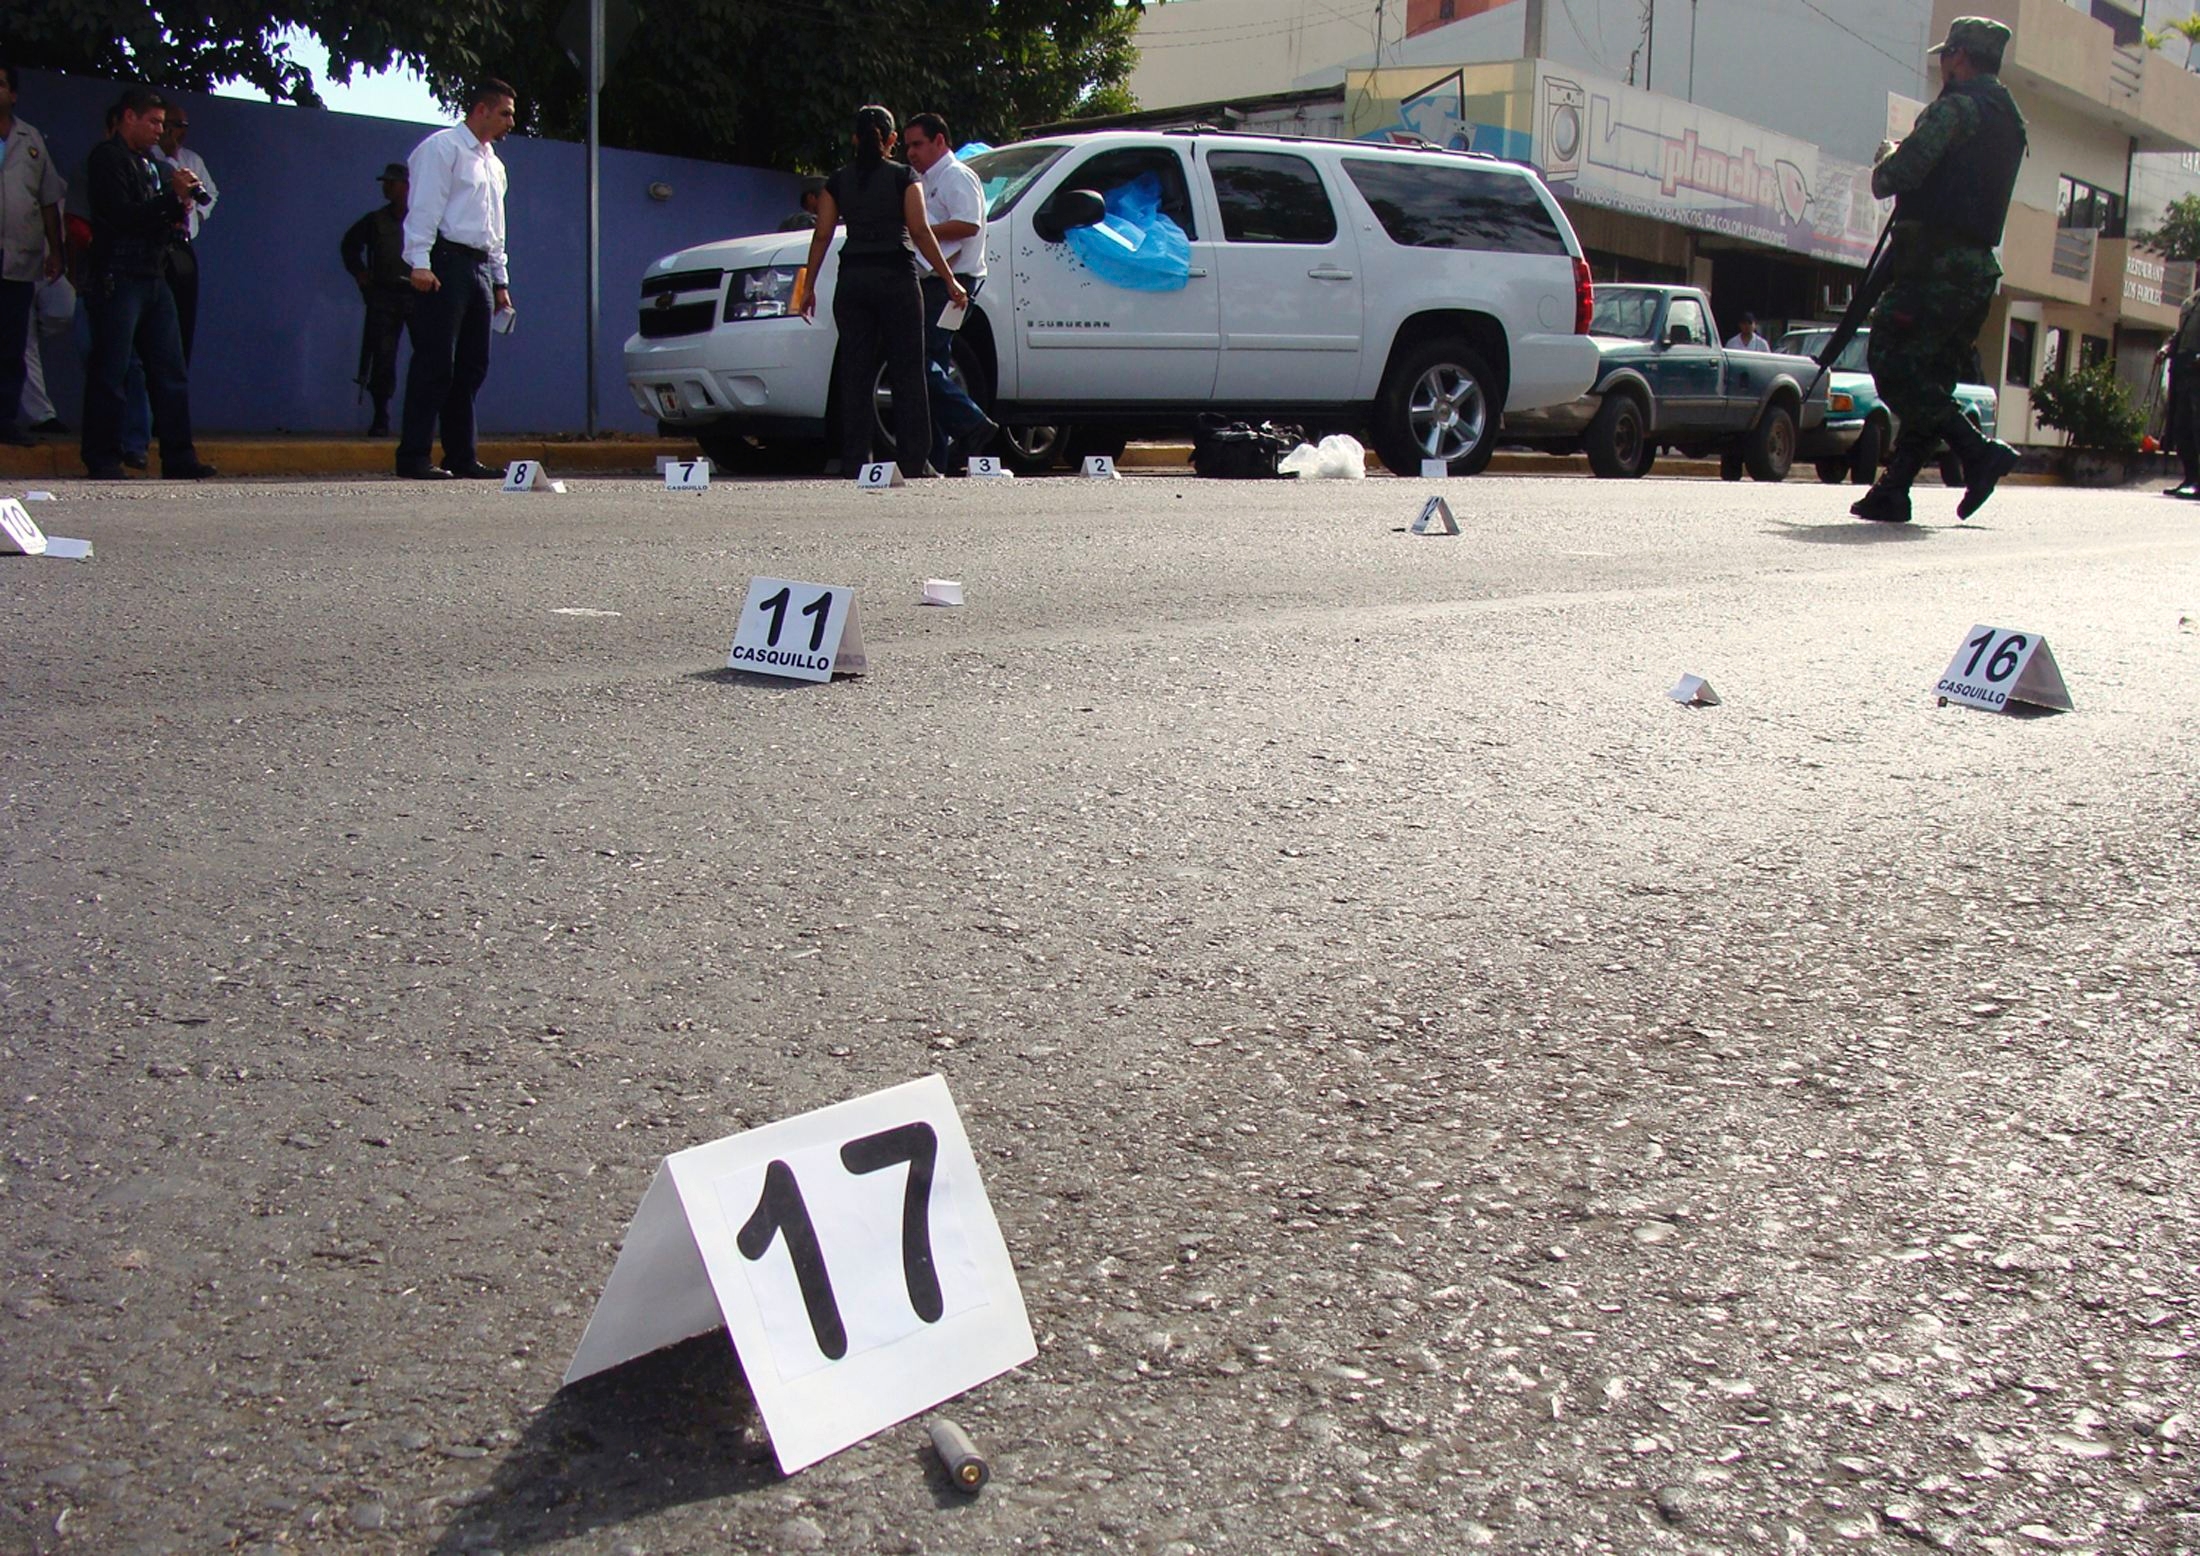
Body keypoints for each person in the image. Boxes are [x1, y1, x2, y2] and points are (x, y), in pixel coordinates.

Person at [1850, 17, 2025, 525]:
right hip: (1976, 273)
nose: (1943, 65)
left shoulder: (1957, 109)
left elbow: (1896, 176)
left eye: (1947, 55)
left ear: (1960, 56)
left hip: (1935, 268)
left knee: (1893, 362)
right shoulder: (2010, 119)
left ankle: (1977, 450)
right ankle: (1894, 489)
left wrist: (1888, 155)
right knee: (1932, 381)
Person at [796, 105, 967, 479]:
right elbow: (919, 231)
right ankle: (913, 460)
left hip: (853, 279)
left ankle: (856, 460)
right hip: (897, 278)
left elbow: (822, 234)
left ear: (854, 139)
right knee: (907, 370)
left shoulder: (837, 181)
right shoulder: (904, 176)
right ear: (891, 139)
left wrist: (808, 287)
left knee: (855, 371)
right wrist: (949, 279)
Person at [80, 86, 214, 480]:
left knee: (170, 370)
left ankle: (179, 456)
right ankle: (103, 456)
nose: (160, 130)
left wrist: (180, 202)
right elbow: (122, 215)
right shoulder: (108, 159)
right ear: (129, 117)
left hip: (153, 275)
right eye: (153, 122)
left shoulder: (151, 165)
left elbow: (158, 219)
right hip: (120, 275)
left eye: (163, 123)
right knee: (112, 370)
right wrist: (168, 201)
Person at [395, 79, 516, 480]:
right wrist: (419, 261)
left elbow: (495, 227)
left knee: (471, 366)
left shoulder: (494, 164)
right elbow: (424, 208)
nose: (510, 122)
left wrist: (499, 280)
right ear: (481, 109)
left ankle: (461, 455)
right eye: (505, 113)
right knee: (435, 362)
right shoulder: (443, 148)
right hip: (445, 262)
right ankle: (413, 455)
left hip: (479, 267)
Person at [901, 111, 1000, 473]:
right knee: (935, 364)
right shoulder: (927, 179)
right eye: (908, 146)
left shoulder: (957, 175)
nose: (911, 152)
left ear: (939, 141)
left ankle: (973, 424)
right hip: (937, 280)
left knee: (919, 361)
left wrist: (920, 232)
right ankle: (936, 458)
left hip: (955, 283)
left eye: (918, 144)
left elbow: (968, 224)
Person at [0, 61, 66, 446]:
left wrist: (56, 250)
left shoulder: (31, 139)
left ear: (13, 94)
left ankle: (5, 420)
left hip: (18, 257)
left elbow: (48, 199)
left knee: (11, 344)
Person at [342, 162, 416, 437]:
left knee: (429, 357)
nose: (386, 188)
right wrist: (361, 275)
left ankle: (422, 418)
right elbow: (349, 246)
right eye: (385, 182)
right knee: (382, 357)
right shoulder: (375, 220)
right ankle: (381, 415)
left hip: (418, 295)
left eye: (391, 183)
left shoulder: (422, 219)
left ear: (406, 186)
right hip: (385, 295)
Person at [154, 104, 213, 363]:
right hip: (156, 246)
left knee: (182, 318)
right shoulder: (150, 157)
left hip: (183, 246)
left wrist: (198, 215)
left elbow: (210, 194)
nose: (181, 131)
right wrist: (169, 156)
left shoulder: (192, 160)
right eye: (177, 125)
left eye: (185, 126)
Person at [2156, 287, 2200, 498]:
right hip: (2183, 369)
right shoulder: (2191, 302)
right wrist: (2166, 349)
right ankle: (2190, 478)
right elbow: (2180, 334)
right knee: (2181, 427)